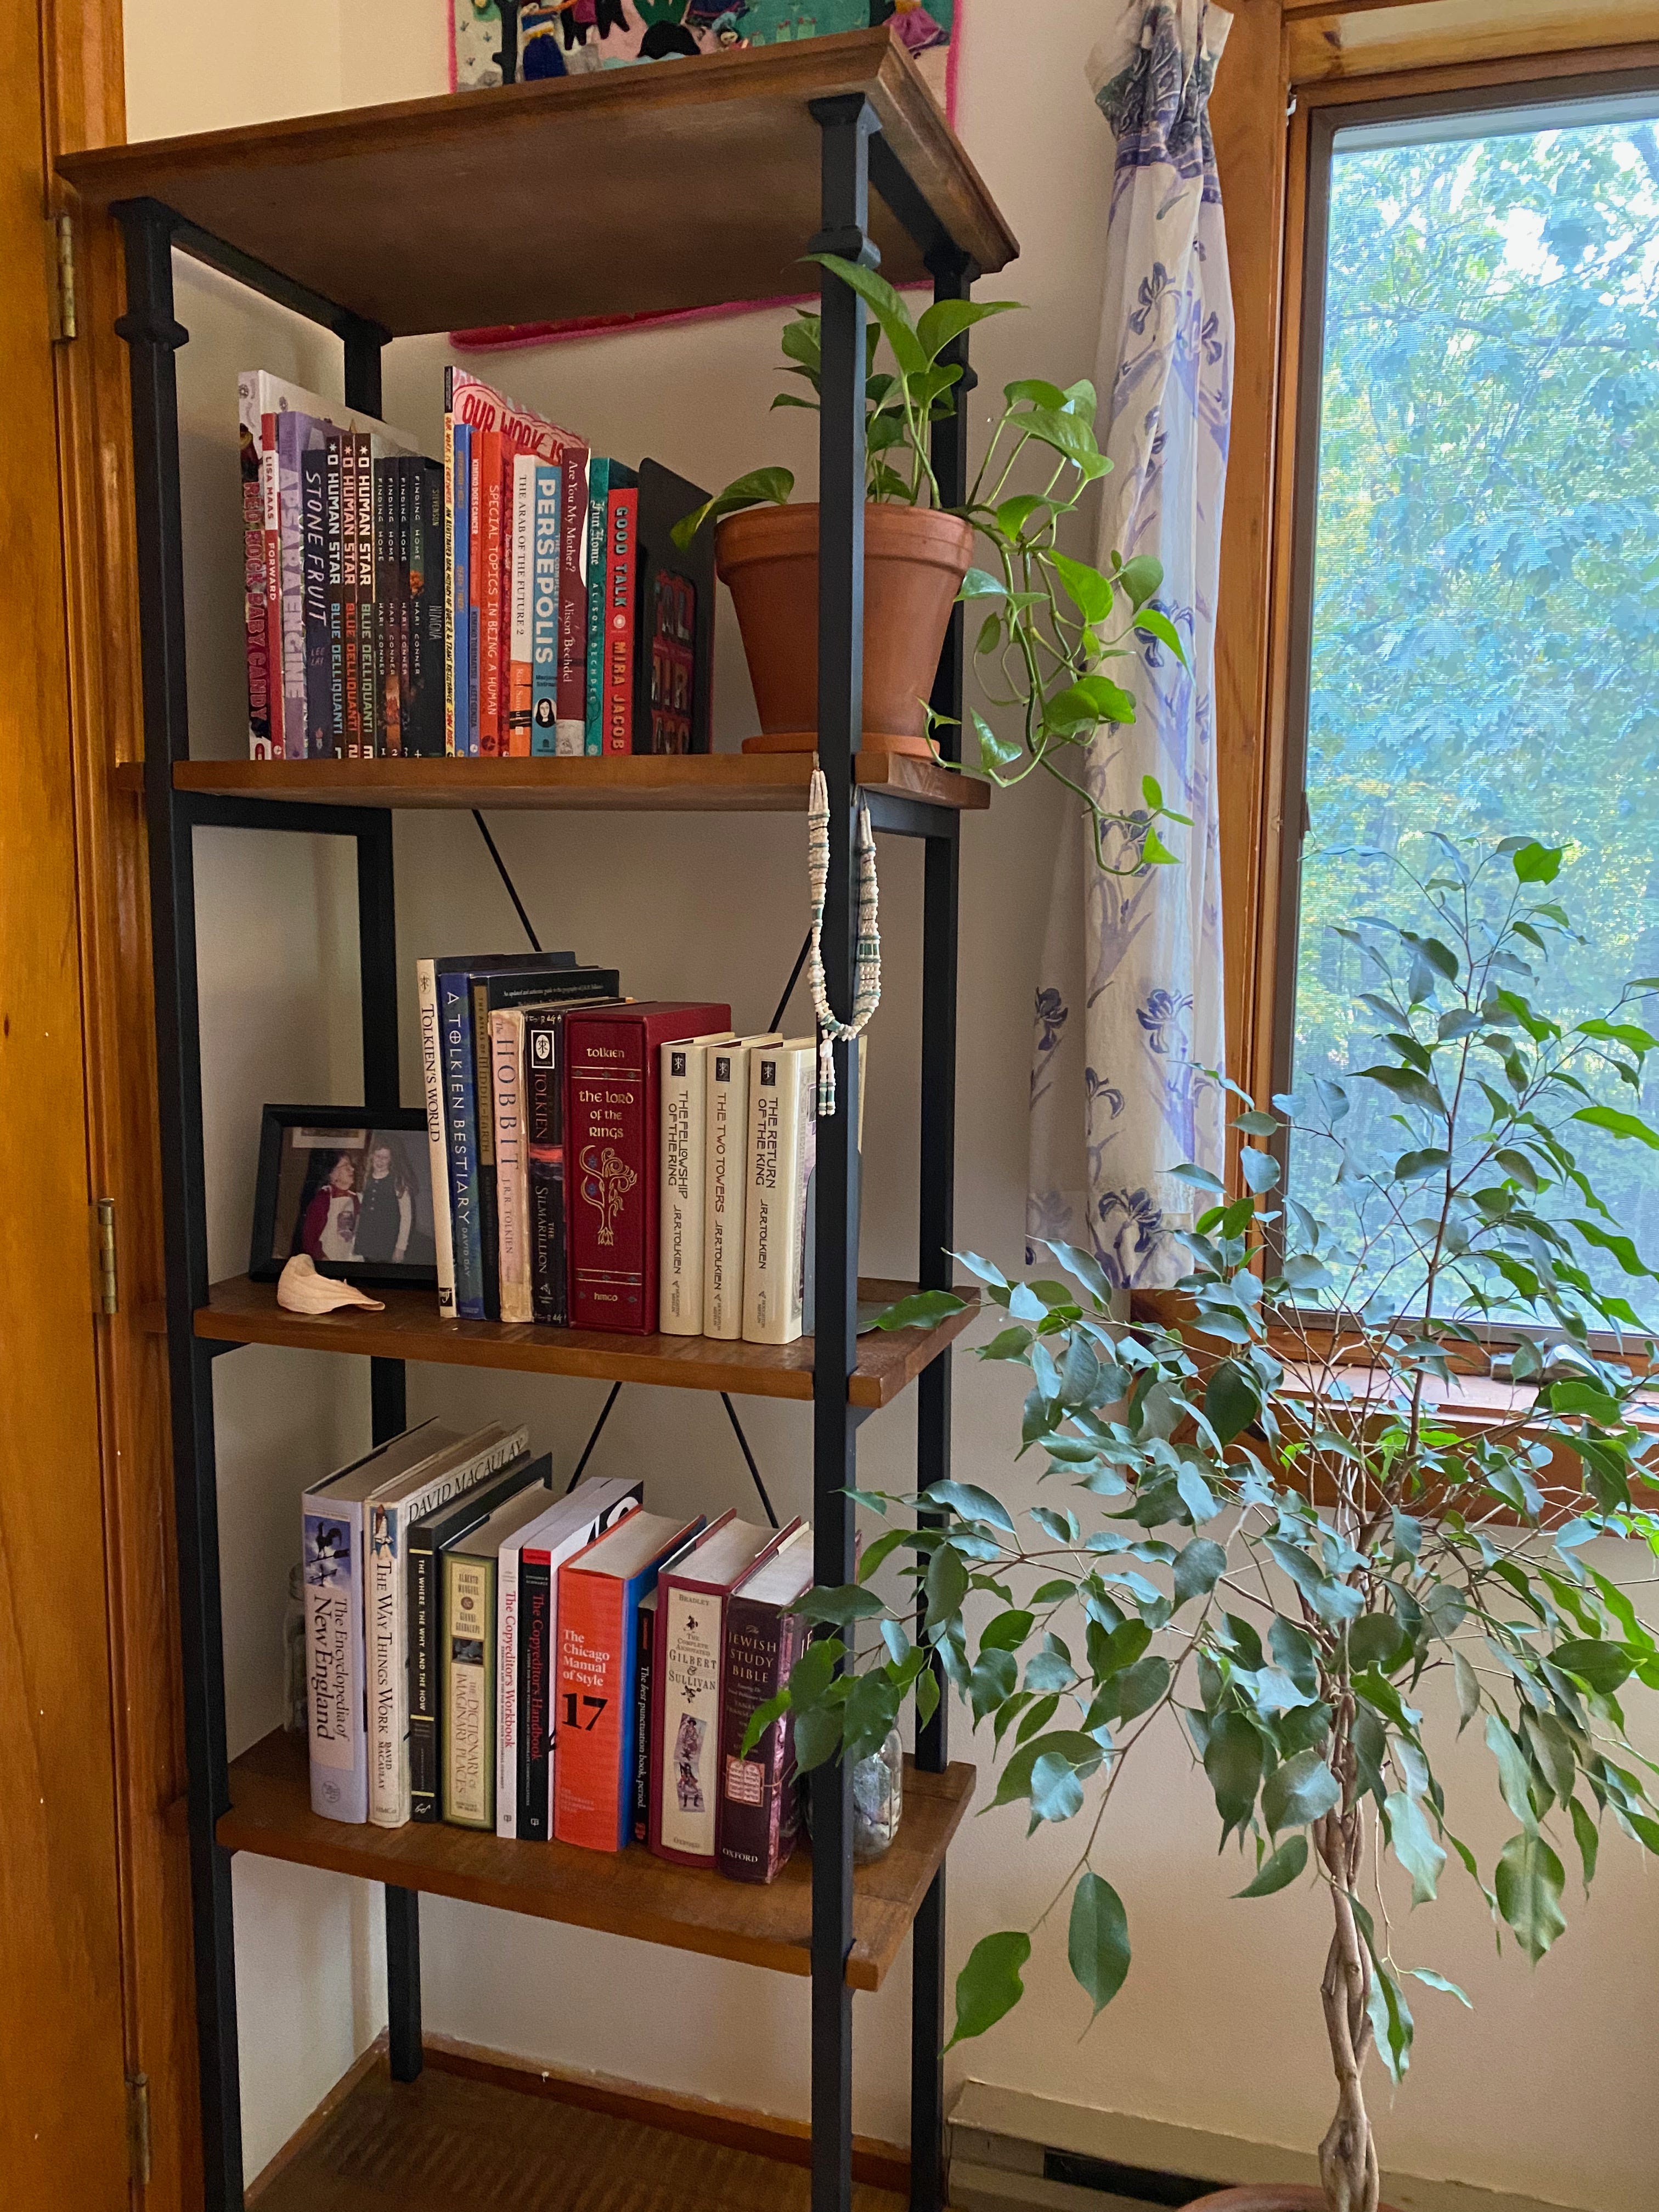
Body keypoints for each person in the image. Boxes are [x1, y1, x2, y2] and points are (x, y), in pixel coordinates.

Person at [354, 1138, 415, 1263]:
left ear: (391, 1160)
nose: (381, 1161)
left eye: (385, 1158)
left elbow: (406, 1217)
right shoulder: (365, 1179)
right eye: (378, 1156)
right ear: (372, 1156)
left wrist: (401, 1247)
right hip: (364, 1238)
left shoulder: (398, 1183)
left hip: (386, 1241)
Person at [301, 1152, 360, 1263]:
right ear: (333, 1174)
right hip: (328, 1262)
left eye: (351, 1165)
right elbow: (309, 1239)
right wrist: (323, 1259)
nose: (352, 1169)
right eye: (346, 1166)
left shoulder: (355, 1199)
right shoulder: (323, 1199)